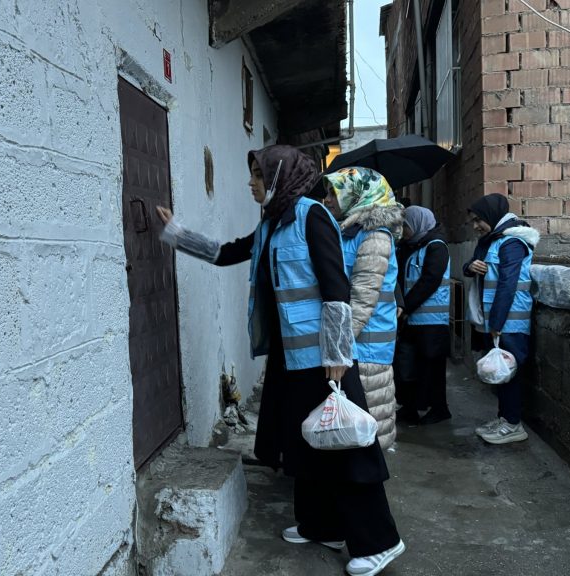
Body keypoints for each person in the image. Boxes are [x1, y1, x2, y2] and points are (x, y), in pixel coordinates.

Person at [157, 145, 404, 575]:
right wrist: (178, 235)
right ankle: (320, 524)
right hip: (291, 358)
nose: (250, 183)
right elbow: (228, 251)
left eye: (257, 175)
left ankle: (382, 540)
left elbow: (335, 286)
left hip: (325, 359)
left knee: (348, 447)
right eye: (252, 175)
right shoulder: (273, 223)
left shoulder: (312, 216)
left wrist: (337, 353)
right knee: (304, 444)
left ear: (277, 177)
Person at [314, 167, 403, 451]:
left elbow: (363, 299)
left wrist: (337, 348)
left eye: (333, 193)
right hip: (354, 342)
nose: (327, 199)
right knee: (353, 421)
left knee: (369, 418)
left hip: (366, 344)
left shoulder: (375, 237)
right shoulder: (350, 232)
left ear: (356, 195)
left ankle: (369, 482)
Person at [463, 194, 540, 445]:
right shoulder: (492, 241)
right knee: (501, 372)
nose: (476, 226)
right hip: (496, 320)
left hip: (510, 322)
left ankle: (513, 424)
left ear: (492, 217)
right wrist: (470, 267)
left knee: (510, 373)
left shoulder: (512, 242)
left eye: (479, 220)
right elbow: (475, 267)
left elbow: (507, 285)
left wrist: (496, 324)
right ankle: (504, 418)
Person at [395, 206, 452, 426]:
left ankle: (439, 409)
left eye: (406, 226)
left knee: (433, 369)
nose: (403, 230)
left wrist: (405, 306)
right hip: (411, 320)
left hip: (431, 322)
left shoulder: (436, 247)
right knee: (408, 366)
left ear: (417, 224)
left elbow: (430, 280)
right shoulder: (408, 247)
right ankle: (410, 408)